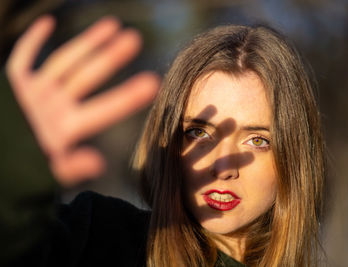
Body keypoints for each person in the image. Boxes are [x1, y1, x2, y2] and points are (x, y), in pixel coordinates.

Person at [2, 14, 325, 267]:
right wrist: (12, 177)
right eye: (198, 132)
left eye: (257, 140)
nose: (224, 167)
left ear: (293, 156)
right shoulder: (100, 241)